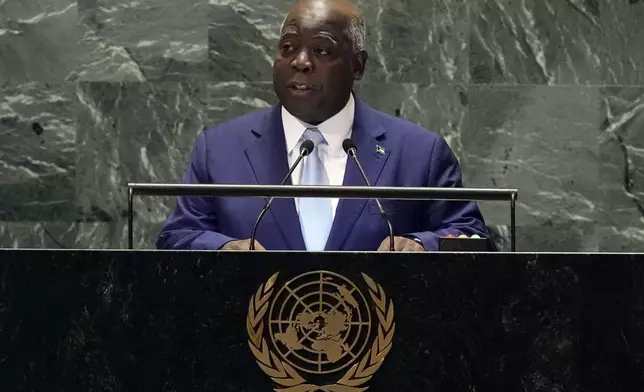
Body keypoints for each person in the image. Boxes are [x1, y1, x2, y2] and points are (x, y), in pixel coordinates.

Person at [156, 0, 490, 252]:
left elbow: (472, 236)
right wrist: (221, 249)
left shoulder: (419, 152)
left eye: (321, 50)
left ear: (357, 66)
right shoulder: (219, 149)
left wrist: (421, 244)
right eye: (288, 48)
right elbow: (177, 237)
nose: (300, 62)